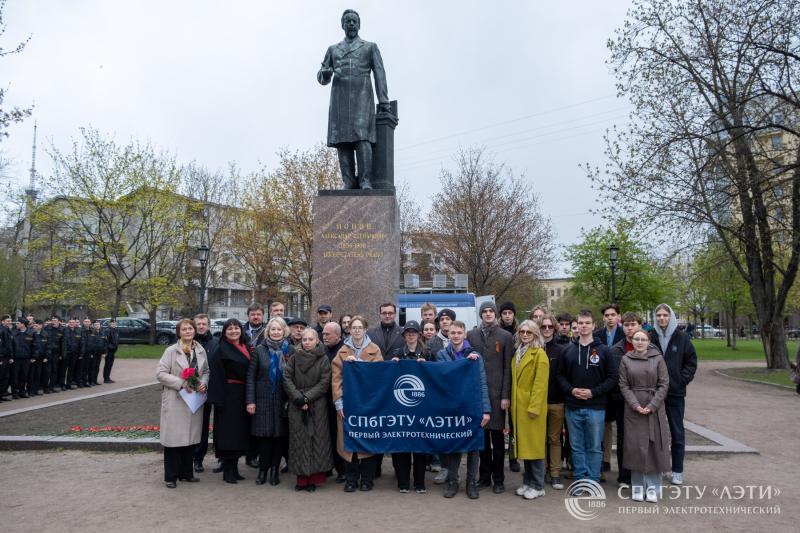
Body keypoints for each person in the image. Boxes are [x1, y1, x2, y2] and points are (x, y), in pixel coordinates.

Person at [317, 9, 390, 190]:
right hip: (339, 98)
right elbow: (321, 76)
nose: (351, 24)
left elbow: (379, 74)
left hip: (362, 97)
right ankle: (348, 181)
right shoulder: (333, 49)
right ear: (342, 25)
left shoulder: (369, 47)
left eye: (354, 21)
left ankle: (365, 180)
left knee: (362, 138)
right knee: (342, 140)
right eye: (348, 21)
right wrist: (324, 74)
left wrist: (384, 101)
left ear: (359, 24)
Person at [557, 310, 617, 487]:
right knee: (576, 446)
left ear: (593, 325)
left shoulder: (604, 351)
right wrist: (571, 390)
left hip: (595, 407)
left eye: (587, 323)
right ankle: (580, 479)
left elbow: (612, 378)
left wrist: (594, 392)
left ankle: (592, 480)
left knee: (594, 447)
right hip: (573, 406)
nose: (583, 326)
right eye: (581, 323)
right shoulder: (568, 350)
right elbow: (560, 376)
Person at [436, 320, 491, 499]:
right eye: (453, 333)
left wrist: (486, 410)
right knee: (454, 446)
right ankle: (453, 481)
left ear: (464, 334)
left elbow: (482, 383)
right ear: (448, 334)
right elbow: (439, 379)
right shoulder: (441, 355)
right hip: (451, 408)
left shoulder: (475, 357)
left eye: (459, 332)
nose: (456, 336)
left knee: (473, 447)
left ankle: (471, 483)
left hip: (472, 407)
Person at [331, 315, 383, 492]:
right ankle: (351, 478)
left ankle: (367, 479)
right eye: (354, 327)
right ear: (349, 330)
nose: (357, 330)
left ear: (365, 329)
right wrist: (338, 403)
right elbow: (335, 379)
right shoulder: (342, 351)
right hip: (348, 404)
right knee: (348, 441)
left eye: (360, 327)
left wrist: (359, 364)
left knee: (368, 440)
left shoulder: (375, 350)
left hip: (369, 404)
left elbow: (379, 375)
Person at [156, 319, 209, 488]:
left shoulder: (200, 350)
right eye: (184, 329)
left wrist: (203, 383)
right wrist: (181, 383)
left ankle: (187, 473)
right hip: (176, 398)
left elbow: (206, 371)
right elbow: (160, 373)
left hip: (193, 400)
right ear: (179, 332)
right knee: (173, 440)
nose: (188, 331)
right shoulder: (171, 351)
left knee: (191, 439)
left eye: (190, 328)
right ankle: (171, 476)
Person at [619, 329, 671, 503]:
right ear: (632, 341)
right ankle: (637, 486)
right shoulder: (626, 359)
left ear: (649, 341)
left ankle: (654, 488)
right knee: (635, 448)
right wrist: (635, 405)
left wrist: (652, 405)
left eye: (643, 339)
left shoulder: (658, 358)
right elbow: (623, 385)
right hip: (633, 410)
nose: (639, 342)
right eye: (636, 339)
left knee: (654, 448)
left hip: (654, 408)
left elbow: (664, 384)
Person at [467, 301, 513, 493]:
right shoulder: (472, 335)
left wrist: (505, 396)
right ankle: (484, 477)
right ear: (480, 314)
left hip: (496, 395)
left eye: (490, 311)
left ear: (496, 314)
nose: (488, 314)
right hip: (477, 395)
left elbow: (507, 368)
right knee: (482, 440)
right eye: (484, 311)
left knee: (497, 440)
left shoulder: (505, 336)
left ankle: (499, 479)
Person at [650, 303, 697, 486]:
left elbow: (691, 363)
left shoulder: (682, 337)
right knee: (657, 433)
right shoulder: (650, 337)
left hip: (675, 394)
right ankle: (661, 467)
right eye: (659, 315)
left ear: (670, 317)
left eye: (665, 315)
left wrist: (679, 381)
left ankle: (677, 470)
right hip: (655, 394)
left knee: (677, 432)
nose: (662, 318)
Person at [283, 328, 334, 492]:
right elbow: (286, 377)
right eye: (304, 339)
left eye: (310, 339)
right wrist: (298, 397)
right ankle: (301, 479)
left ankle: (313, 478)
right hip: (296, 404)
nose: (307, 342)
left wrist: (307, 398)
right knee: (299, 440)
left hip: (317, 405)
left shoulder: (323, 359)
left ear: (317, 341)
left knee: (316, 440)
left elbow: (324, 383)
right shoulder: (293, 357)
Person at [246, 317, 292, 486]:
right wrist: (250, 401)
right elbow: (251, 376)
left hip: (283, 400)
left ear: (284, 331)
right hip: (263, 400)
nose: (276, 332)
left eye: (279, 329)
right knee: (264, 438)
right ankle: (262, 470)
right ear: (268, 331)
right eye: (273, 329)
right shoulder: (259, 350)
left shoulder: (290, 350)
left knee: (279, 438)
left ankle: (274, 470)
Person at [209, 319, 253, 484]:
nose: (234, 331)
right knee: (228, 435)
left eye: (236, 328)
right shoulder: (220, 349)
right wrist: (218, 400)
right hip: (228, 396)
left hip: (242, 395)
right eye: (230, 328)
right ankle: (227, 471)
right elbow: (216, 376)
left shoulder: (245, 346)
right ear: (224, 331)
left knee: (239, 434)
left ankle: (235, 469)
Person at [388, 321, 431, 493]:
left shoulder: (428, 353)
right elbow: (389, 378)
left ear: (419, 334)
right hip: (401, 408)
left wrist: (427, 366)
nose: (411, 335)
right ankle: (403, 482)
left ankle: (420, 483)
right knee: (402, 445)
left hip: (422, 407)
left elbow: (437, 376)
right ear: (404, 335)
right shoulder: (397, 353)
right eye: (408, 332)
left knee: (420, 445)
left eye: (414, 332)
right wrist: (393, 365)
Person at [511, 320, 550, 500]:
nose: (525, 334)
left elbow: (540, 385)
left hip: (531, 408)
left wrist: (534, 407)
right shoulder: (518, 352)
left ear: (535, 334)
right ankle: (527, 481)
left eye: (529, 332)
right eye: (522, 331)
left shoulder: (539, 354)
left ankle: (538, 485)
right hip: (519, 406)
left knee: (534, 447)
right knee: (525, 446)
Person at [608, 312, 643, 487]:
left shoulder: (649, 348)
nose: (630, 328)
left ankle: (641, 474)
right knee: (623, 439)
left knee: (642, 439)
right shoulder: (616, 350)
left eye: (633, 324)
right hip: (623, 402)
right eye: (627, 325)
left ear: (639, 326)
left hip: (644, 401)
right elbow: (613, 377)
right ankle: (624, 476)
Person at [540, 314, 565, 490]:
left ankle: (555, 472)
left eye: (550, 327)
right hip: (538, 403)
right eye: (544, 327)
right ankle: (540, 471)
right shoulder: (533, 348)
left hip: (556, 401)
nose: (547, 329)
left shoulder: (562, 350)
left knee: (554, 438)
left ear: (554, 329)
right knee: (539, 439)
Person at [192, 314, 220, 474]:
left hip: (211, 390)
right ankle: (194, 456)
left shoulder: (215, 343)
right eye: (198, 324)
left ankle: (201, 457)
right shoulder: (188, 343)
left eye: (204, 324)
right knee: (197, 426)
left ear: (209, 325)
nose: (201, 326)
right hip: (191, 391)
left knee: (211, 424)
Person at [322, 321, 347, 482]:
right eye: (323, 334)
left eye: (327, 334)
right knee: (328, 435)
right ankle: (329, 466)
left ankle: (343, 469)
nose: (324, 336)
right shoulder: (323, 349)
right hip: (324, 400)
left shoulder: (344, 351)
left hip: (339, 400)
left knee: (339, 437)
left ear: (337, 335)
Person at [498, 301, 520, 472]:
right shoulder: (497, 332)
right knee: (499, 423)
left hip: (516, 381)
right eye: (504, 312)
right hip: (499, 382)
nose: (507, 315)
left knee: (514, 424)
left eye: (510, 313)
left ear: (514, 315)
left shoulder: (521, 332)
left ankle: (513, 456)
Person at [43, 315, 65, 394]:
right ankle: (45, 387)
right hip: (48, 353)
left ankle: (52, 386)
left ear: (59, 321)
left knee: (54, 370)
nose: (53, 321)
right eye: (53, 320)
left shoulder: (62, 329)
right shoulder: (47, 328)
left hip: (56, 353)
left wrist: (62, 354)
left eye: (55, 320)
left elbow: (63, 343)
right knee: (47, 371)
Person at [11, 318, 33, 399]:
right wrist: (11, 357)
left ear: (23, 324)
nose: (16, 324)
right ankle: (14, 392)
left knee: (24, 376)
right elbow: (11, 346)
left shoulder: (31, 333)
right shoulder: (14, 333)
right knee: (15, 376)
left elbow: (34, 346)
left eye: (18, 323)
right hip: (16, 359)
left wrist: (33, 356)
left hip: (26, 359)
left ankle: (22, 391)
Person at [84, 320, 107, 387]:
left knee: (97, 367)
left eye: (98, 324)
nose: (97, 326)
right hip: (93, 353)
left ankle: (95, 380)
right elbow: (90, 344)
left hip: (99, 353)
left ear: (100, 325)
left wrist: (104, 352)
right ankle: (90, 381)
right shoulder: (91, 333)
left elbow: (105, 343)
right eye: (96, 324)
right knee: (92, 367)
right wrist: (91, 353)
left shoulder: (102, 333)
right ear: (93, 326)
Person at [63, 318, 83, 390]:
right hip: (66, 354)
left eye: (73, 322)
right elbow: (63, 343)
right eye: (70, 322)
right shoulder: (64, 330)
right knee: (63, 370)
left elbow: (80, 343)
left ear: (75, 323)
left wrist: (80, 353)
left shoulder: (78, 331)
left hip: (74, 354)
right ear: (68, 323)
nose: (72, 323)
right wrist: (63, 354)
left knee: (71, 370)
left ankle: (68, 384)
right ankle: (62, 384)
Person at [102, 319, 119, 384]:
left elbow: (116, 340)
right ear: (110, 324)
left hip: (113, 350)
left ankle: (108, 377)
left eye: (115, 323)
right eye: (112, 323)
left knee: (110, 365)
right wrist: (106, 350)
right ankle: (106, 378)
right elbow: (106, 341)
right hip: (109, 350)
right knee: (107, 364)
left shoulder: (116, 330)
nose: (114, 324)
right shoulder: (107, 330)